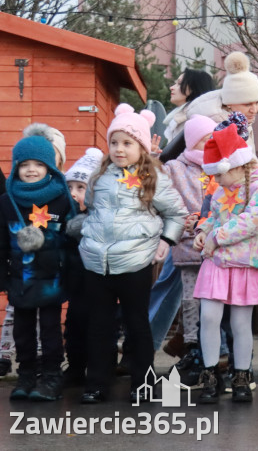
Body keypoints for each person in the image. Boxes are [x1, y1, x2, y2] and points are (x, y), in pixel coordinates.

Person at [77, 104, 188, 404]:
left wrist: (166, 240)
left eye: (127, 143)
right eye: (114, 142)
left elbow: (177, 214)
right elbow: (88, 208)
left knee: (137, 323)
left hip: (135, 261)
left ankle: (143, 383)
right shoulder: (99, 177)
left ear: (141, 146)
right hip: (96, 262)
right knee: (99, 325)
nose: (119, 149)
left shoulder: (154, 178)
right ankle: (97, 383)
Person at [192, 122, 258, 404]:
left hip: (246, 263)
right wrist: (203, 233)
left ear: (239, 165)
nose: (218, 179)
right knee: (208, 317)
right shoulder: (222, 190)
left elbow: (252, 221)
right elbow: (214, 217)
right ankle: (209, 373)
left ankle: (241, 374)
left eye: (222, 172)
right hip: (217, 262)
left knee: (241, 323)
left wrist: (215, 236)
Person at [0, 135, 75, 401]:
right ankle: (26, 375)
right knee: (22, 330)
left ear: (50, 167)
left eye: (38, 164)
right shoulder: (7, 201)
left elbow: (73, 241)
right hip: (21, 280)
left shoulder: (62, 199)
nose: (31, 169)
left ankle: (52, 376)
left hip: (52, 282)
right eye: (24, 164)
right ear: (16, 167)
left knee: (51, 329)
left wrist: (73, 276)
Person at [161, 115, 218, 387]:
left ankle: (217, 353)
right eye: (205, 139)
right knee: (191, 300)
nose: (210, 144)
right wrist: (186, 226)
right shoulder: (175, 168)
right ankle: (193, 348)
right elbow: (167, 202)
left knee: (216, 304)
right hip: (187, 245)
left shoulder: (219, 166)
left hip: (216, 247)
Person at [62, 148, 104, 388]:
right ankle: (75, 367)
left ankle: (99, 371)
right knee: (74, 326)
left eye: (81, 188)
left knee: (98, 328)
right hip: (75, 286)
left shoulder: (99, 218)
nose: (74, 194)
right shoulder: (64, 219)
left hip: (99, 284)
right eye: (70, 187)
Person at [161, 68, 216, 162]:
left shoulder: (197, 121)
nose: (172, 87)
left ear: (193, 88)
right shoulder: (180, 118)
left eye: (179, 84)